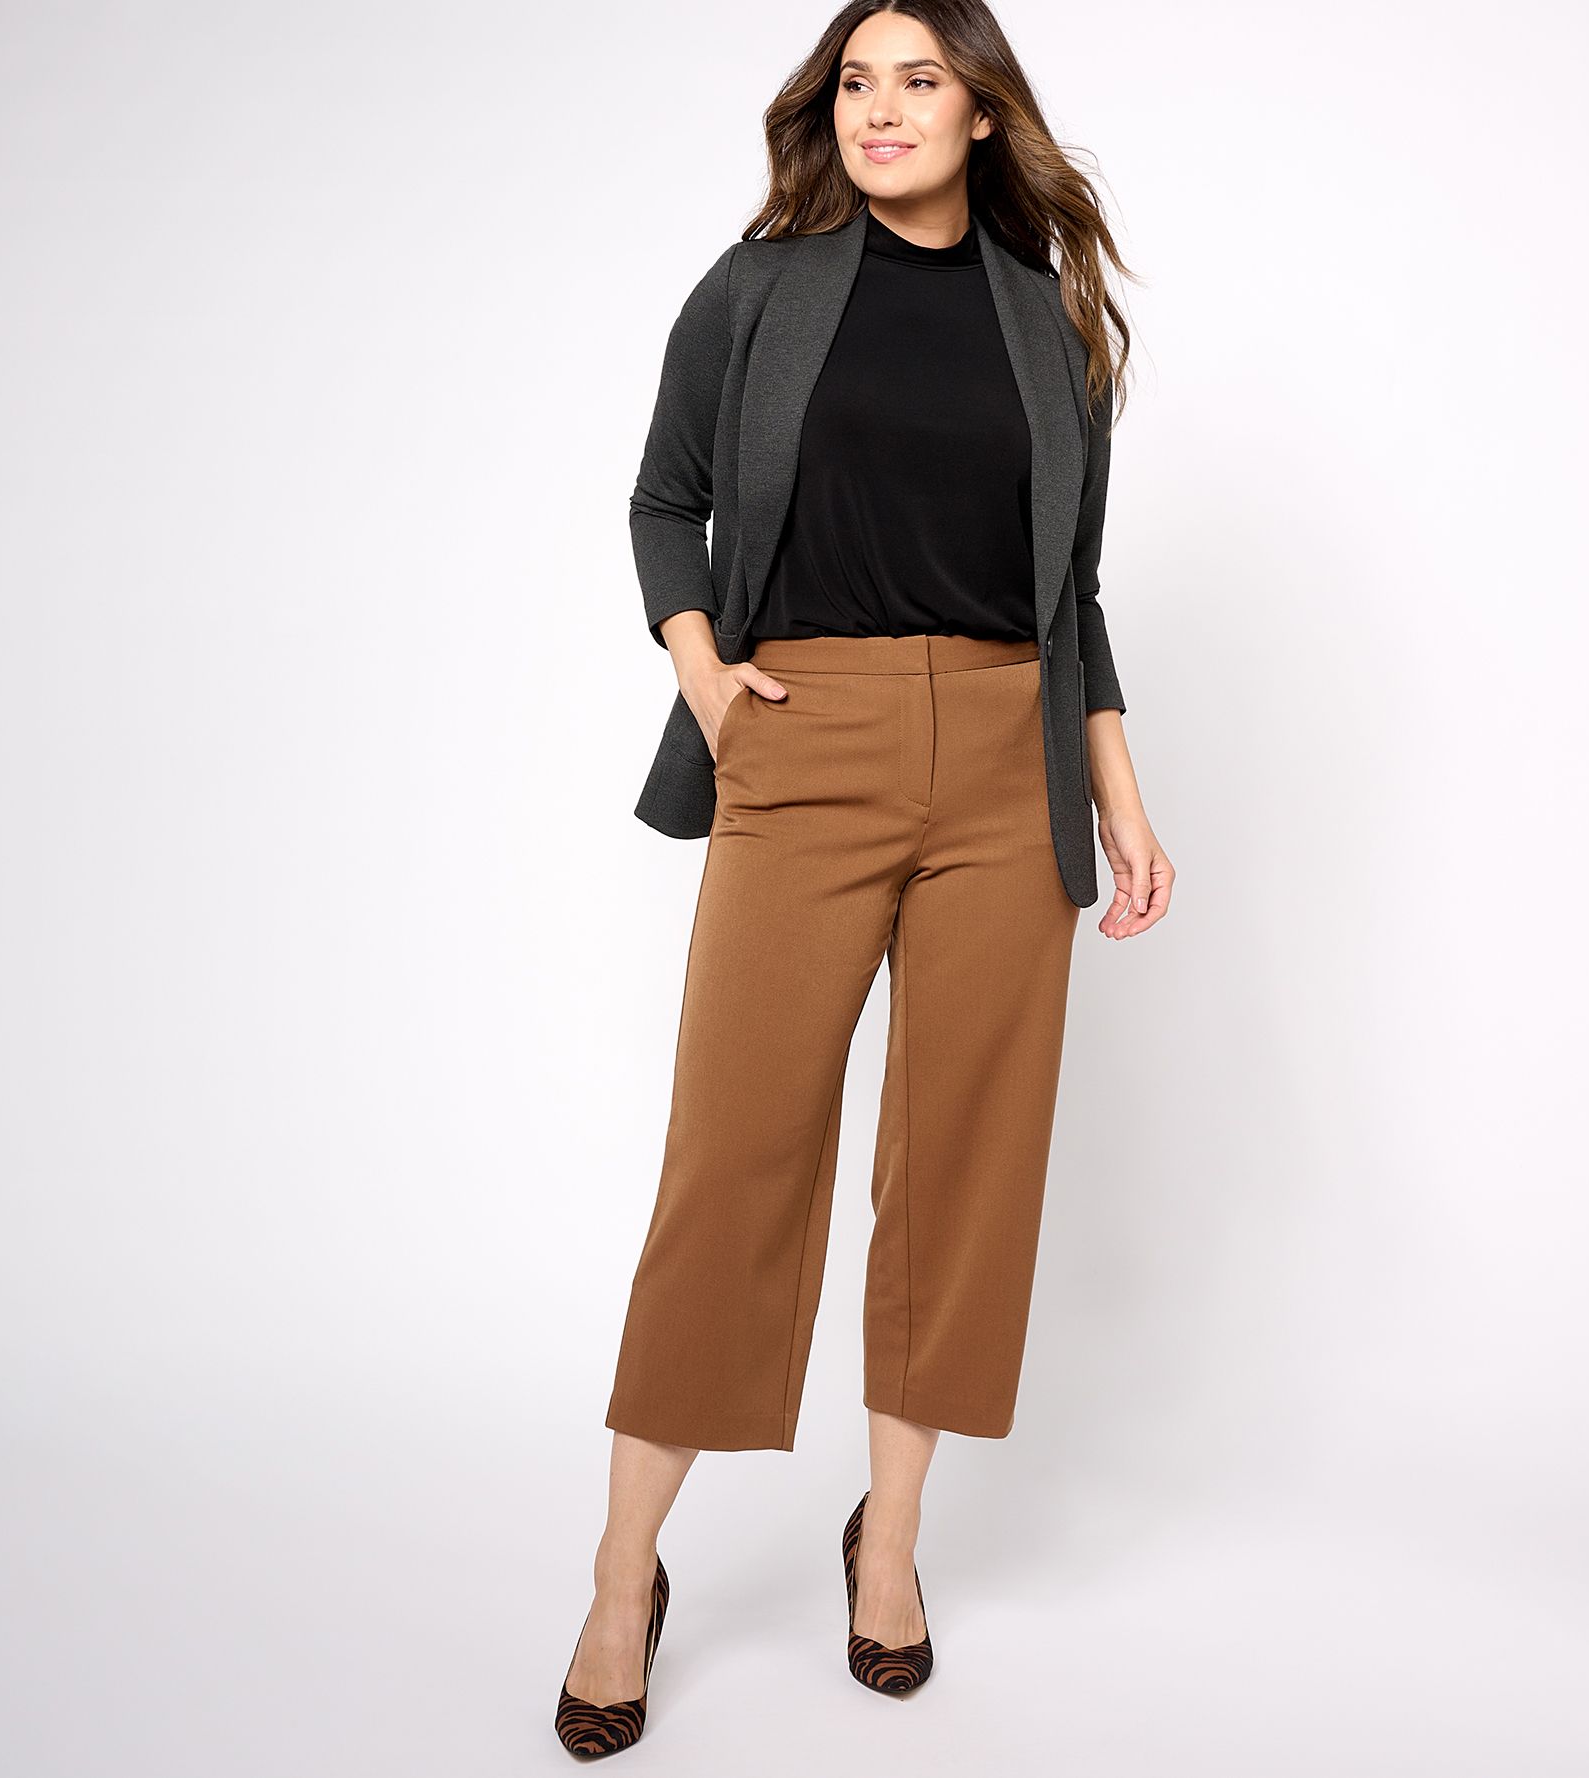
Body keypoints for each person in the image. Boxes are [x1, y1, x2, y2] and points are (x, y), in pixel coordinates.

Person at [556, 0, 1174, 1756]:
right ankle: (621, 1570)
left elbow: (1073, 595)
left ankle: (887, 1538)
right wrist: (707, 682)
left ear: (983, 115)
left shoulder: (1050, 322)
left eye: (920, 80)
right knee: (734, 1158)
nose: (881, 108)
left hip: (1004, 762)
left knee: (964, 1170)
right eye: (856, 81)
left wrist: (1122, 798)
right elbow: (665, 502)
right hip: (803, 743)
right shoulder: (757, 290)